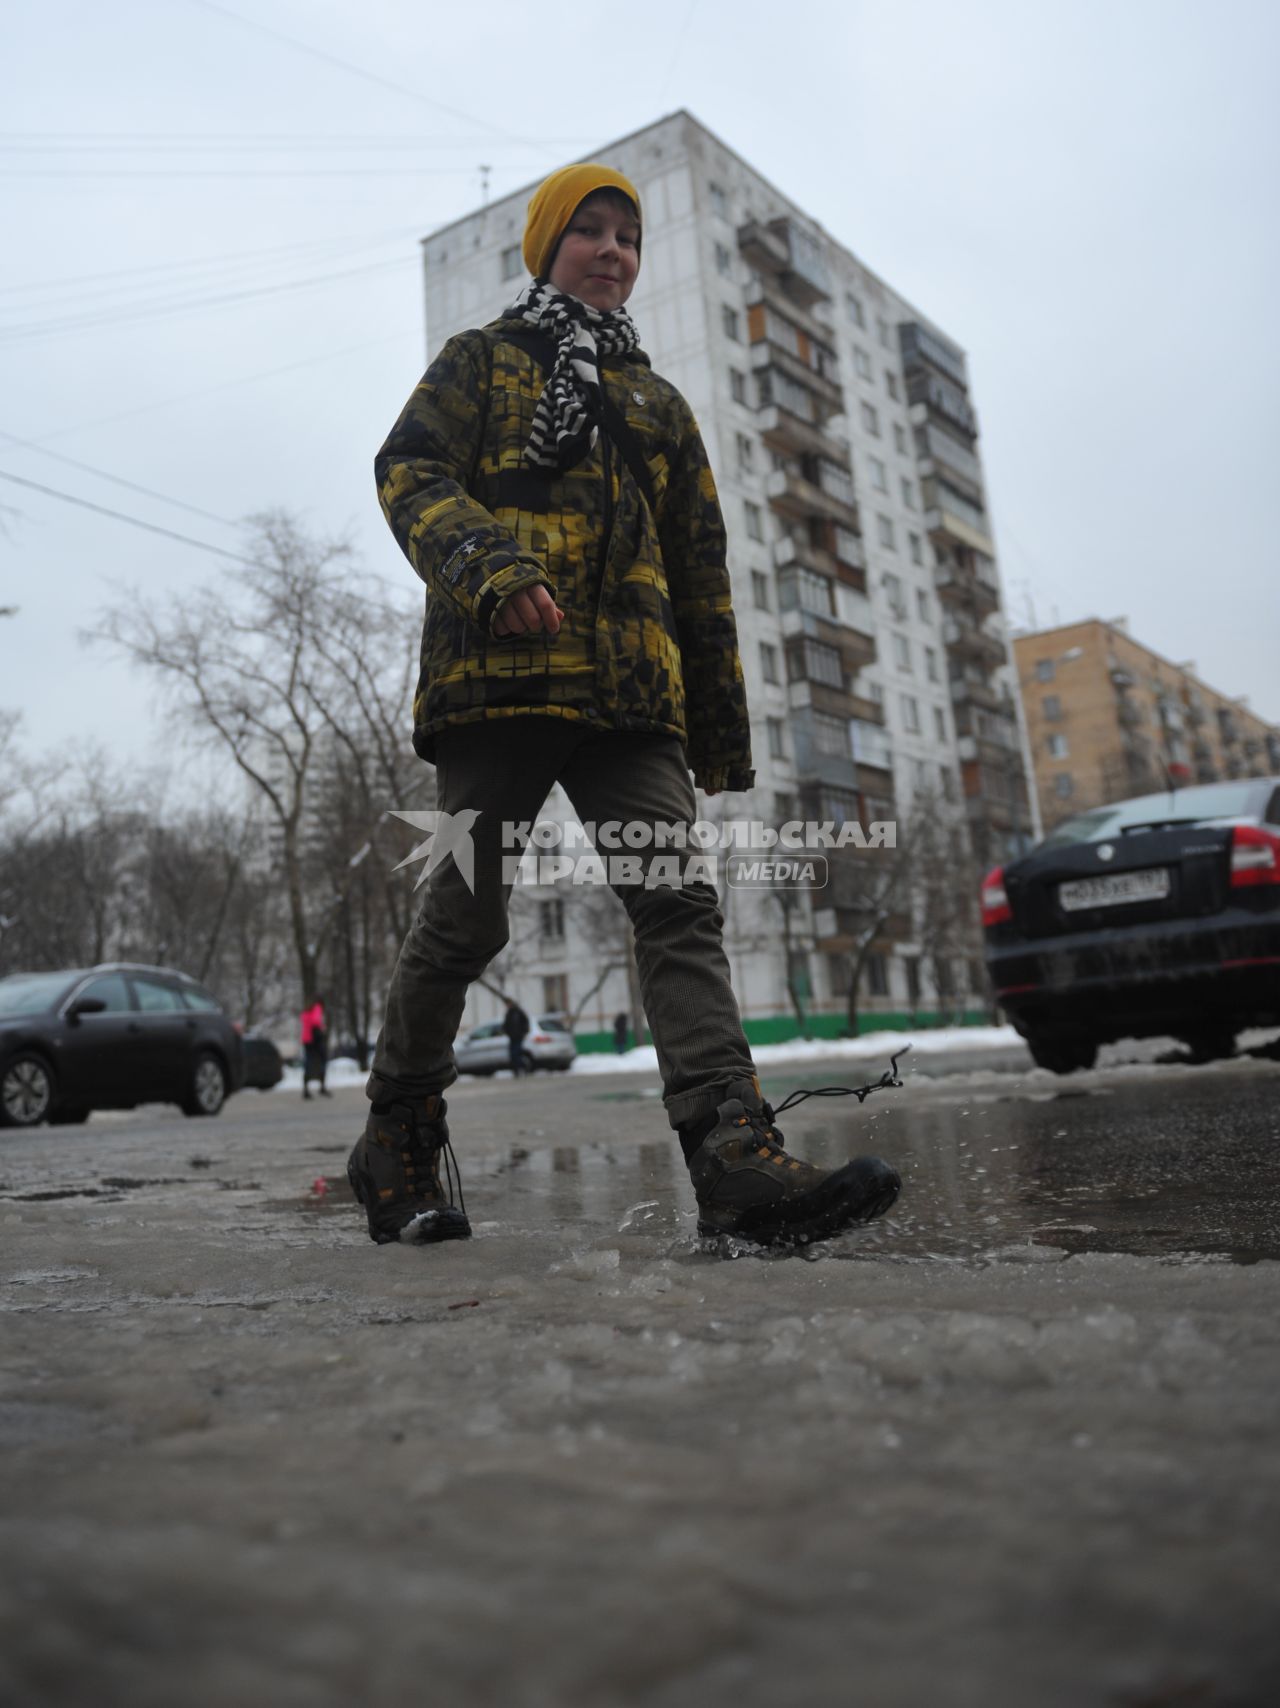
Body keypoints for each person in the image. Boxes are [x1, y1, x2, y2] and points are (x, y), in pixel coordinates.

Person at [346, 162, 900, 1248]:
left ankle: (734, 1160)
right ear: (547, 249)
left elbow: (700, 569)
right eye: (587, 232)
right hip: (495, 693)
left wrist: (721, 728)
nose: (610, 251)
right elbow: (408, 470)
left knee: (676, 904)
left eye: (626, 237)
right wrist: (493, 574)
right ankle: (396, 1139)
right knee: (464, 915)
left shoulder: (655, 403)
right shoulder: (480, 364)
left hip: (630, 702)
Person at [300, 994, 331, 1100]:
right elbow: (316, 1022)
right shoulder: (317, 1008)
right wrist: (322, 1031)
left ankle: (306, 1090)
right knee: (322, 1062)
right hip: (315, 1041)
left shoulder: (306, 1011)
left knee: (308, 1064)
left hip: (307, 1041)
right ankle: (322, 1087)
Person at [502, 998, 530, 1076]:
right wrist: (506, 1031)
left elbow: (525, 1022)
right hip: (512, 1037)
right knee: (513, 1054)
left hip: (518, 1036)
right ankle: (516, 1070)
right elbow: (506, 1024)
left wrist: (524, 1032)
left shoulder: (518, 1012)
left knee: (516, 1053)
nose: (507, 1006)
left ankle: (523, 1067)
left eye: (508, 1004)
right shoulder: (509, 1013)